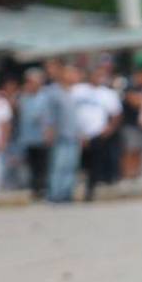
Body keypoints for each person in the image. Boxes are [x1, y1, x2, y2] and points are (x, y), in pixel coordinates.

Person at [74, 63, 122, 201]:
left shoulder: (107, 93)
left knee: (95, 164)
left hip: (97, 133)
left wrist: (109, 129)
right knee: (80, 164)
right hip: (78, 134)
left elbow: (116, 114)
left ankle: (91, 190)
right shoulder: (78, 90)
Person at [46, 64, 83, 203]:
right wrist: (49, 131)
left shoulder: (76, 92)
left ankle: (67, 194)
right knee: (58, 166)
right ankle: (55, 195)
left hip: (74, 135)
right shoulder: (54, 92)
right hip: (60, 135)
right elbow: (49, 115)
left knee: (71, 166)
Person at [15, 69, 52, 199]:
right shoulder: (23, 97)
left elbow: (49, 118)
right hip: (28, 137)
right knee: (31, 166)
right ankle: (34, 189)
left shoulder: (46, 97)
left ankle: (43, 189)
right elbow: (19, 112)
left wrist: (49, 133)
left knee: (43, 165)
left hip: (42, 137)